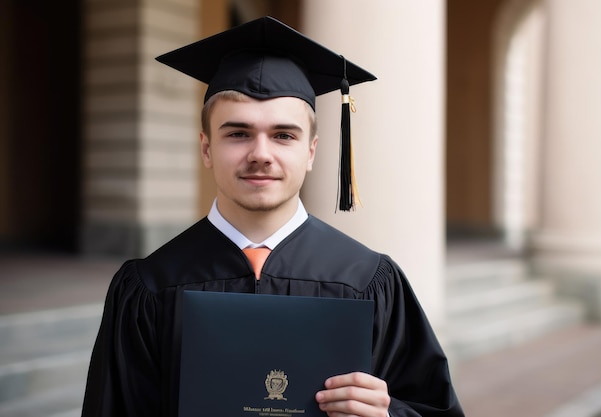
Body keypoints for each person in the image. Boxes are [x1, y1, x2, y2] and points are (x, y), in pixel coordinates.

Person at [81, 16, 465, 417]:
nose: (261, 153)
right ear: (207, 148)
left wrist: (388, 416)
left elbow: (435, 408)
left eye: (284, 135)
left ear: (311, 151)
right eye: (238, 133)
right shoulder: (149, 287)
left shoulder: (368, 280)